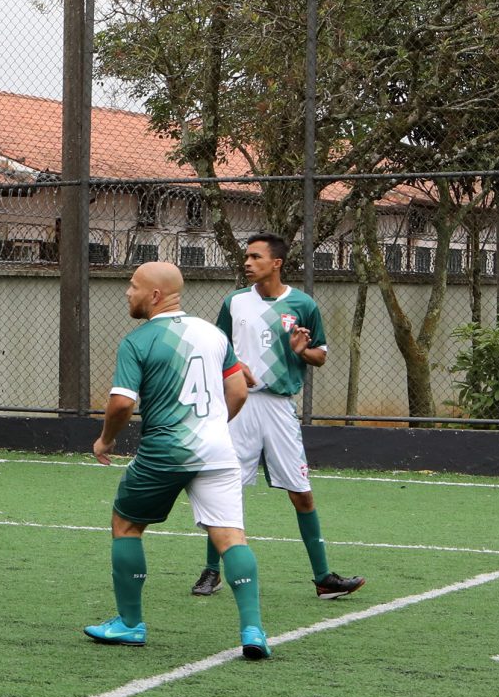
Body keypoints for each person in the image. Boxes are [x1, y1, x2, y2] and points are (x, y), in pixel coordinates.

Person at [89, 260, 272, 660]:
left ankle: (130, 625)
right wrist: (213, 426)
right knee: (231, 538)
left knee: (126, 525)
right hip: (220, 451)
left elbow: (121, 403)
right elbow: (238, 391)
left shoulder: (138, 341)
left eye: (133, 286)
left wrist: (105, 440)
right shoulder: (214, 334)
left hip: (166, 449)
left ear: (155, 295)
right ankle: (253, 630)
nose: (127, 292)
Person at [192, 234, 366, 601]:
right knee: (224, 488)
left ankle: (323, 579)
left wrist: (302, 351)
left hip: (279, 408)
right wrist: (236, 366)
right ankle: (211, 571)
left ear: (277, 263)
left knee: (301, 494)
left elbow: (320, 355)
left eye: (256, 257)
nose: (248, 262)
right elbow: (218, 349)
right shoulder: (234, 302)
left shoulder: (303, 305)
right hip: (238, 406)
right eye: (246, 256)